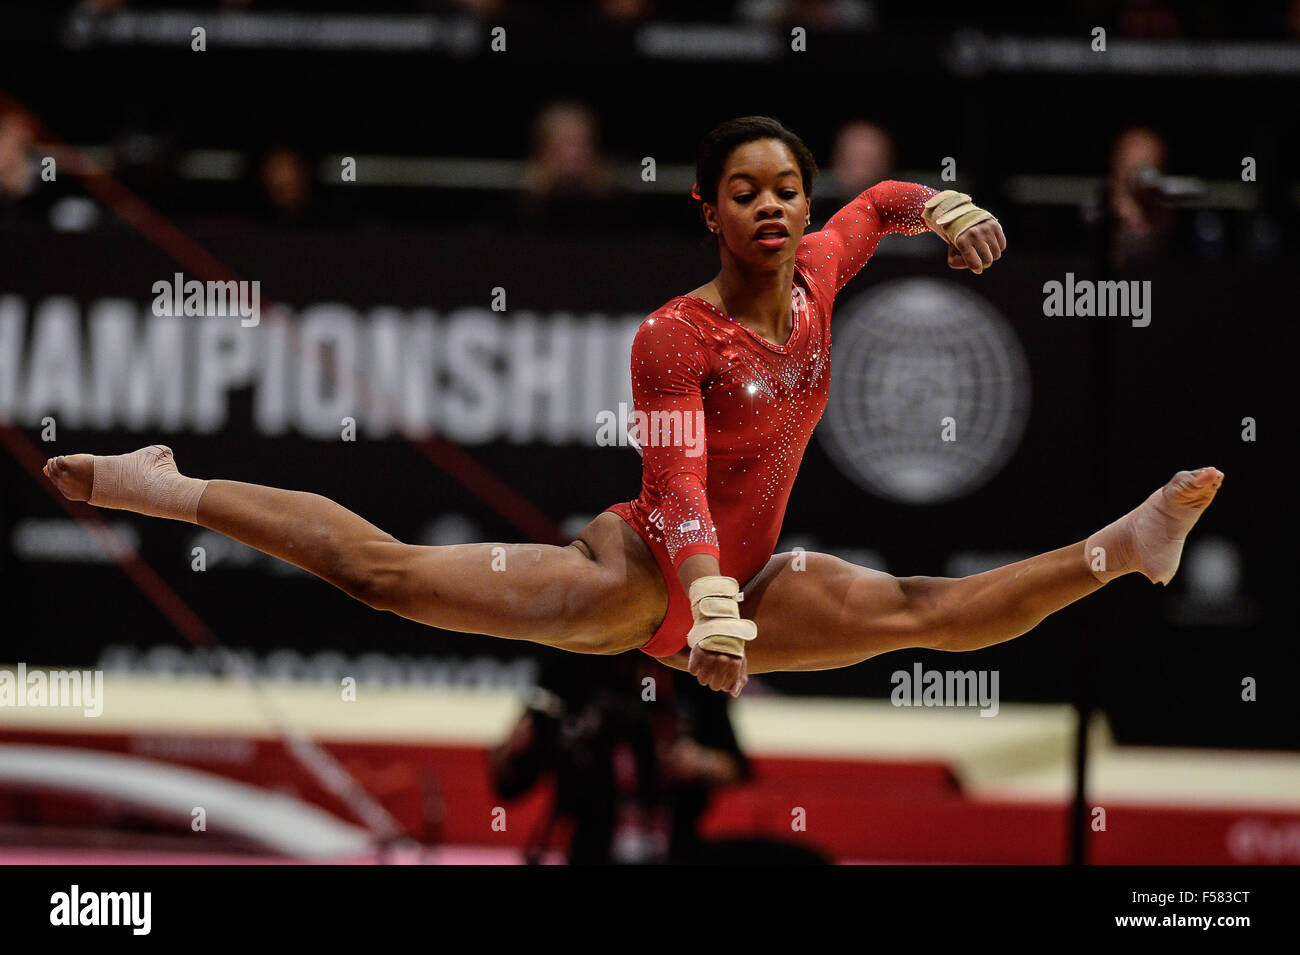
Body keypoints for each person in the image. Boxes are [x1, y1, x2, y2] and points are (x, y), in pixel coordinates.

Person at [43, 115, 1225, 699]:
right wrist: (703, 614)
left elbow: (876, 206)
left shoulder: (818, 272)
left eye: (788, 192)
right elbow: (672, 491)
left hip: (752, 582)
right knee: (387, 577)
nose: (775, 210)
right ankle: (169, 482)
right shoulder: (673, 335)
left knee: (928, 610)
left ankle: (1123, 548)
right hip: (645, 573)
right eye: (746, 194)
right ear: (709, 211)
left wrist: (947, 205)